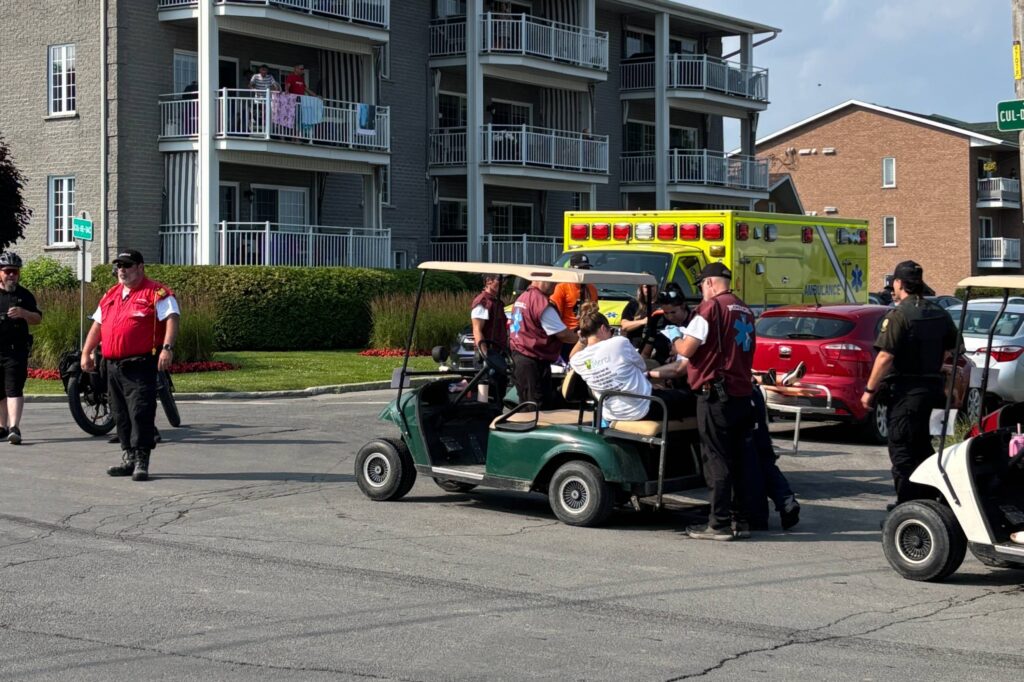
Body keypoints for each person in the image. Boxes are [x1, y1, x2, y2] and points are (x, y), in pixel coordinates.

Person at [670, 262, 757, 541]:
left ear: (709, 283)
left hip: (716, 394)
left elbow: (688, 348)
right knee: (741, 460)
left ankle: (718, 524)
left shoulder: (710, 309)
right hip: (742, 394)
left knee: (716, 459)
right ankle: (741, 520)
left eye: (701, 286)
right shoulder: (745, 309)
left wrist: (675, 341)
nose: (701, 291)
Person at [862, 260, 958, 506]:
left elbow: (885, 356)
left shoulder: (899, 315)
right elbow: (953, 350)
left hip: (906, 395)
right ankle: (930, 500)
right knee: (926, 449)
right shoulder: (940, 312)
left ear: (898, 283)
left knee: (903, 451)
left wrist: (869, 391)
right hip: (935, 392)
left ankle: (909, 505)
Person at [81, 250, 180, 482]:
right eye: (119, 266)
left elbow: (172, 318)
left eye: (127, 265)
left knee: (140, 412)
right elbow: (98, 325)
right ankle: (128, 458)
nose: (122, 270)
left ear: (140, 267)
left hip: (140, 363)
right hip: (113, 364)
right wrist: (87, 352)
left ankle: (142, 460)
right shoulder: (110, 295)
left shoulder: (156, 293)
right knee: (120, 413)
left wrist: (167, 349)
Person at [570, 303, 693, 422]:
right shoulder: (619, 343)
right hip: (643, 407)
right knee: (695, 400)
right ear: (603, 328)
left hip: (612, 413)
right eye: (611, 331)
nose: (611, 335)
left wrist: (581, 341)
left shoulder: (578, 360)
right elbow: (642, 367)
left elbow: (572, 356)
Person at [508, 277, 578, 408]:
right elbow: (563, 334)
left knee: (528, 403)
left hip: (520, 357)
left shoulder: (523, 297)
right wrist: (584, 339)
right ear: (540, 278)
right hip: (531, 360)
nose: (555, 284)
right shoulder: (540, 302)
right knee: (536, 407)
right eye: (552, 280)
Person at [0, 253, 42, 445]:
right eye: (8, 271)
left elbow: (38, 319)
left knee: (13, 387)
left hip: (15, 350)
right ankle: (2, 427)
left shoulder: (24, 295)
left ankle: (14, 427)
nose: (12, 276)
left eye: (15, 272)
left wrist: (24, 313)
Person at [549, 253, 598, 358]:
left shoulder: (592, 289)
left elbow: (595, 312)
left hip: (587, 335)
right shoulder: (561, 287)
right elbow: (555, 315)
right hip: (568, 338)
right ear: (571, 269)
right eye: (580, 268)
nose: (583, 271)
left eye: (586, 268)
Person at [471, 273, 507, 353]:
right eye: (500, 279)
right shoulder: (482, 302)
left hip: (498, 351)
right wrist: (485, 356)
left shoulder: (496, 302)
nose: (504, 283)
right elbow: (477, 330)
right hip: (488, 353)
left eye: (505, 280)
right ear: (488, 281)